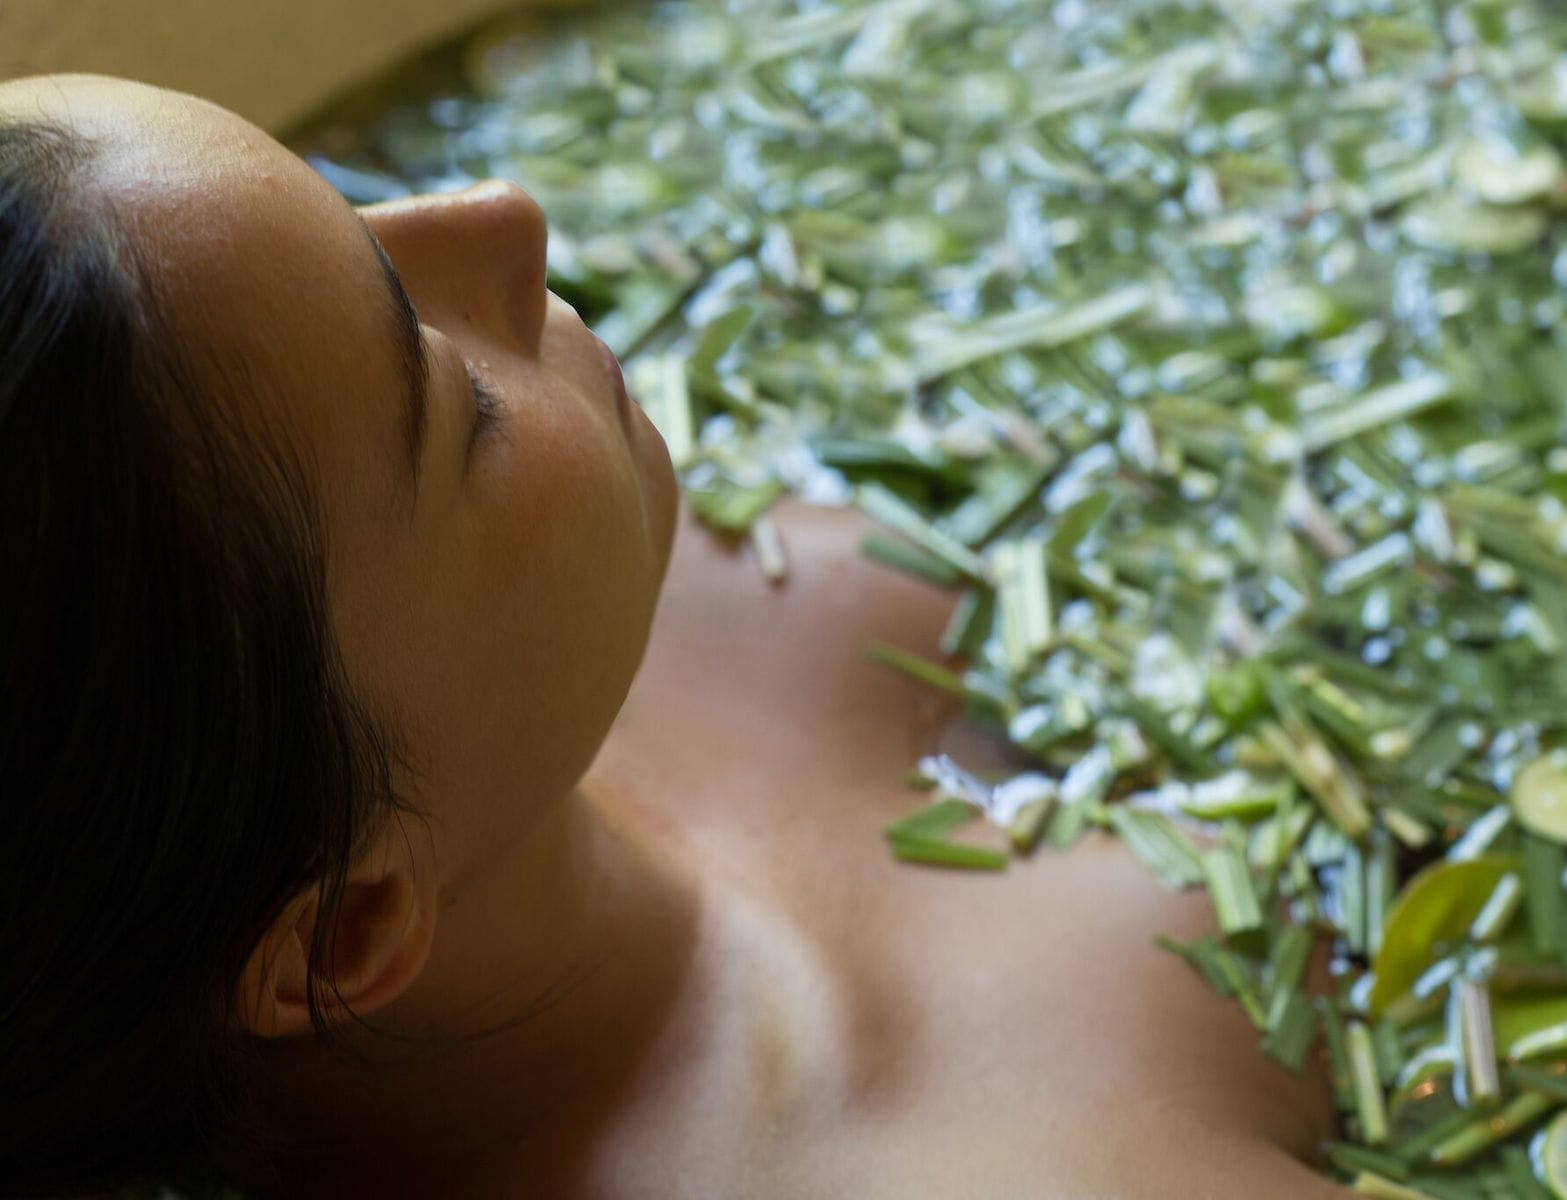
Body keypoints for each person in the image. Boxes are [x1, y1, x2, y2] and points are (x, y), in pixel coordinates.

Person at [0, 73, 1347, 1200]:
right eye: (452, 398)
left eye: (343, 199)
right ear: (345, 932)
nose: (507, 220)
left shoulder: (532, 606)